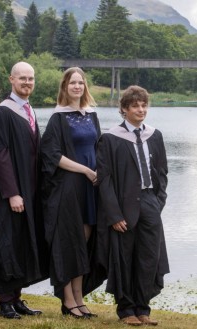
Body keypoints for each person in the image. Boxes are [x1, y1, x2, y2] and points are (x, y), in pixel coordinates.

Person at [97, 85, 169, 326]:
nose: (141, 109)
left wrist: (159, 201)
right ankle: (126, 310)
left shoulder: (155, 135)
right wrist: (114, 214)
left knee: (149, 257)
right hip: (123, 205)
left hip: (150, 202)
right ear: (124, 109)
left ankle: (143, 308)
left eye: (144, 105)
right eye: (135, 106)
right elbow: (104, 180)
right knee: (124, 257)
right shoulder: (110, 138)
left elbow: (162, 171)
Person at [0, 61, 48, 319]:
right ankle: (4, 301)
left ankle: (17, 297)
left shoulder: (29, 110)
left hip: (29, 191)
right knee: (7, 243)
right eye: (22, 78)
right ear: (11, 79)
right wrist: (12, 192)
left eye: (31, 78)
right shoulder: (2, 113)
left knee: (22, 243)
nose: (27, 83)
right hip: (9, 194)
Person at [41, 67, 103, 319]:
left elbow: (99, 147)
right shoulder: (59, 118)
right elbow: (52, 156)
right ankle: (67, 299)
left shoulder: (92, 116)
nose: (77, 86)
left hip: (91, 188)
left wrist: (99, 171)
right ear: (65, 87)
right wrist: (86, 171)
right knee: (68, 243)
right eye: (72, 83)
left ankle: (79, 297)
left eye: (81, 82)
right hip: (69, 187)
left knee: (83, 244)